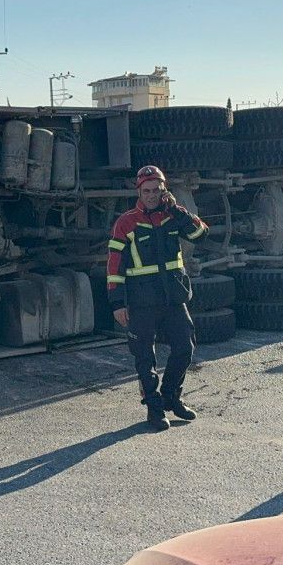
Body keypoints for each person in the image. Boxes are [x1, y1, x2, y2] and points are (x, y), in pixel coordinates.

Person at [107, 165, 209, 431]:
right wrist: (117, 303)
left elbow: (201, 234)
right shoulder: (126, 222)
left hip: (173, 298)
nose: (152, 195)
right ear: (139, 191)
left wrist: (177, 210)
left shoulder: (173, 216)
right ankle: (154, 409)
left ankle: (171, 397)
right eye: (147, 191)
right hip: (141, 302)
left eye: (157, 190)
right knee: (144, 358)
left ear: (165, 190)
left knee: (185, 348)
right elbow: (114, 265)